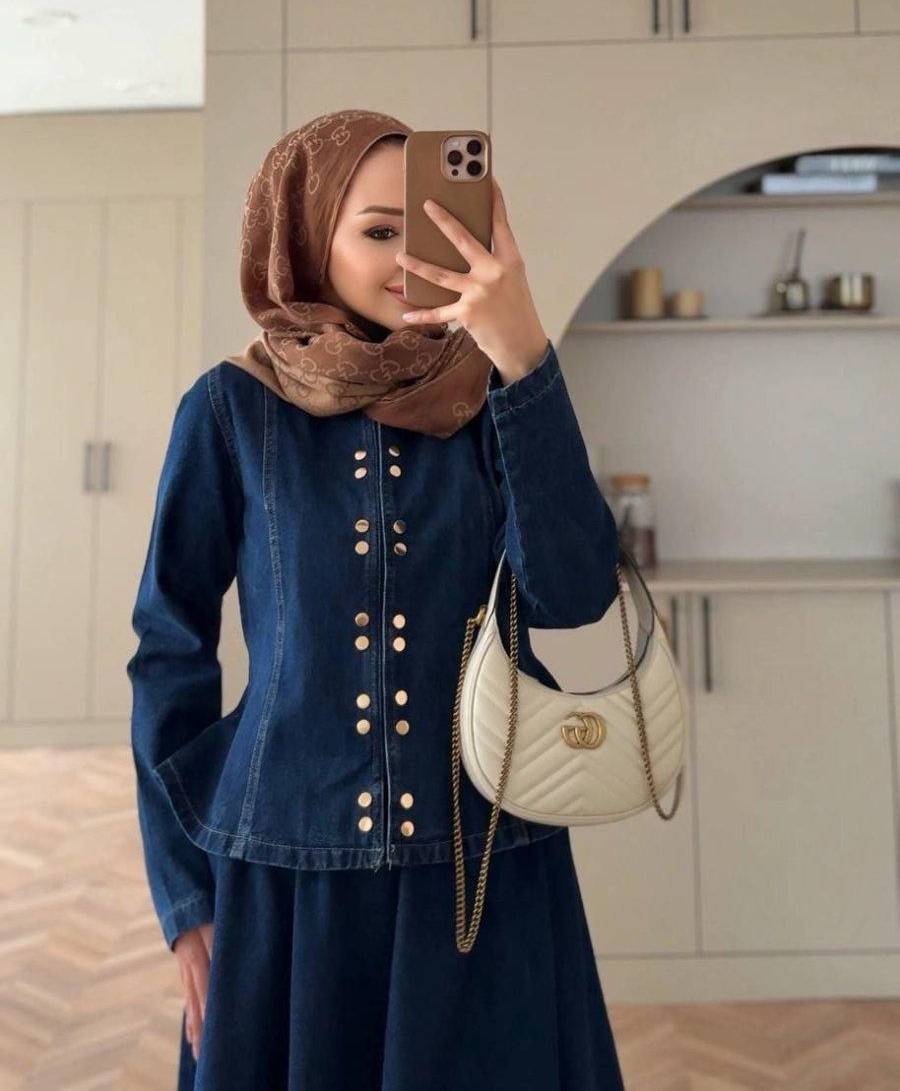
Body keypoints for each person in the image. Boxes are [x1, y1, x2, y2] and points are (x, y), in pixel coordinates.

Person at [127, 108, 626, 1089]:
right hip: (284, 876)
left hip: (484, 870)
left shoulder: (497, 397)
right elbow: (169, 648)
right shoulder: (231, 409)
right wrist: (184, 899)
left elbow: (573, 596)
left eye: (433, 227)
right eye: (379, 230)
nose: (408, 258)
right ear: (309, 237)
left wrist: (525, 355)